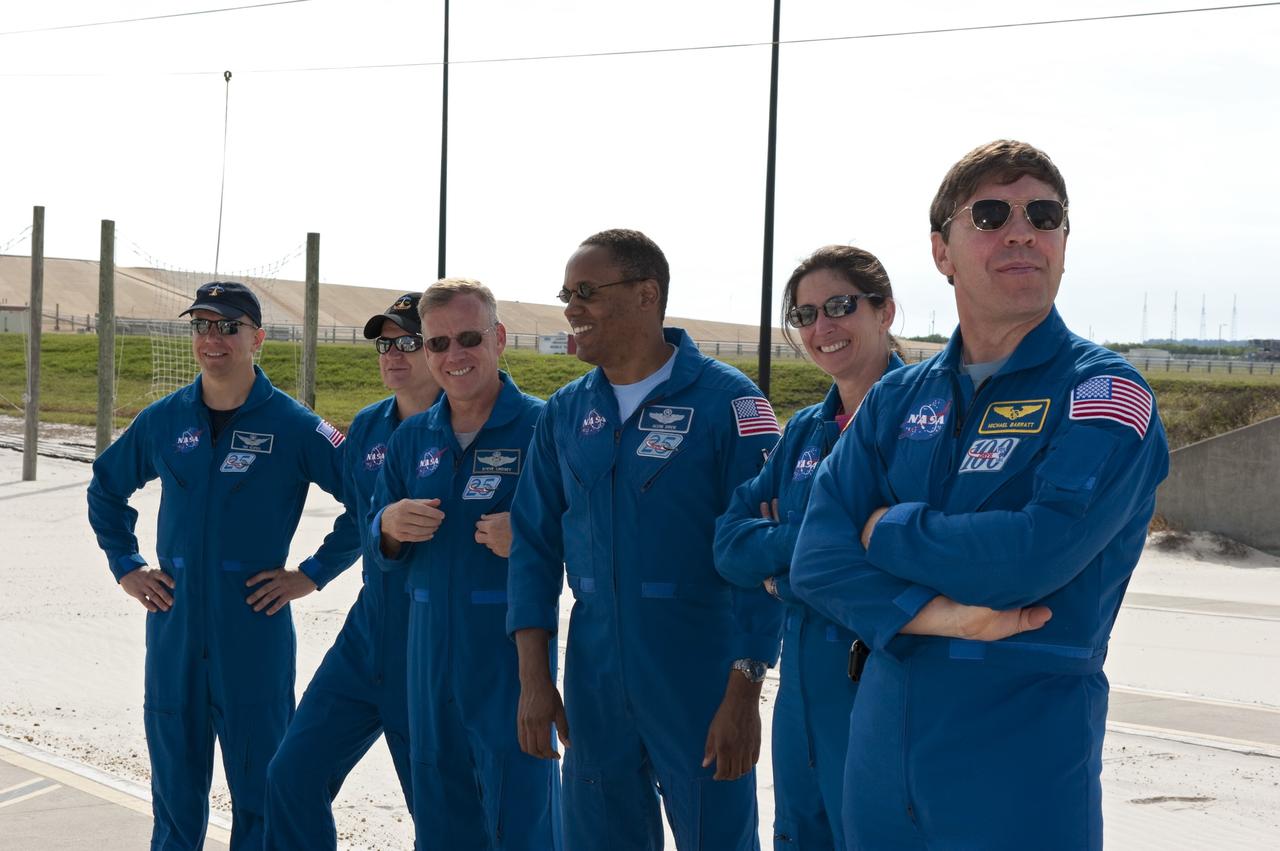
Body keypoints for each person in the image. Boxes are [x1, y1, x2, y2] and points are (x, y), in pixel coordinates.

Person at [792, 140, 1170, 850]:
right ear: (942, 252)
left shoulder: (1105, 393)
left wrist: (885, 530)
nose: (1022, 230)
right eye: (991, 214)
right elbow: (815, 558)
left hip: (1019, 760)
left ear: (1063, 241)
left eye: (1045, 214)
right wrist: (942, 617)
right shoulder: (895, 399)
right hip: (881, 751)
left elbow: (1031, 556)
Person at [507, 229, 784, 851]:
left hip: (699, 671)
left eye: (587, 292)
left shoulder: (730, 403)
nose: (571, 308)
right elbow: (532, 545)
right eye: (566, 293)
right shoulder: (566, 412)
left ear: (646, 295)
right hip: (594, 676)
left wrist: (745, 685)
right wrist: (533, 677)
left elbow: (766, 549)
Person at [87, 281, 362, 850]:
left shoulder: (295, 424)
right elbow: (106, 489)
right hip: (174, 626)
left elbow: (368, 500)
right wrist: (127, 565)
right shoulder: (164, 420)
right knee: (174, 792)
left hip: (252, 630)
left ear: (256, 338)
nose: (213, 339)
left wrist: (311, 574)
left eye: (228, 327)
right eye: (202, 326)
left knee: (262, 791)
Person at [714, 245, 904, 850]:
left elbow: (902, 557)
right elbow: (729, 544)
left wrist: (783, 575)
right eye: (804, 315)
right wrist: (820, 546)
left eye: (840, 306)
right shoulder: (803, 430)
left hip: (882, 683)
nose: (822, 328)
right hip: (801, 692)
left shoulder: (925, 420)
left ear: (885, 311)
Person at [372, 279, 559, 850]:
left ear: (498, 338)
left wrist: (530, 536)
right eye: (437, 344)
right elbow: (377, 548)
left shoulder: (543, 429)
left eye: (470, 338)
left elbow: (593, 535)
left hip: (508, 659)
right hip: (427, 660)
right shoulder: (412, 439)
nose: (454, 356)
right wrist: (388, 528)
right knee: (441, 819)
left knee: (522, 818)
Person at [264, 292, 440, 848]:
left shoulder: (475, 427)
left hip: (436, 638)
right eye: (385, 343)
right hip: (368, 634)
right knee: (292, 775)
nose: (393, 354)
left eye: (408, 341)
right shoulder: (367, 427)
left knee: (438, 808)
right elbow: (356, 515)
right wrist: (314, 572)